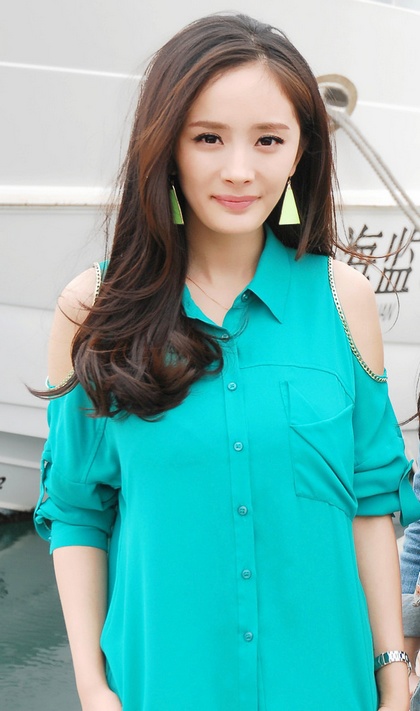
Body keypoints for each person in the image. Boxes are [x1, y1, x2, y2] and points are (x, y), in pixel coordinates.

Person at [33, 13, 420, 711]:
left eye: (269, 139)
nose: (240, 169)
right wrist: (93, 688)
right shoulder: (92, 308)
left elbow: (369, 503)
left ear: (300, 151)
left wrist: (393, 677)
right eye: (208, 137)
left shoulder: (345, 301)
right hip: (161, 689)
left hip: (328, 689)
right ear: (166, 147)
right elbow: (78, 512)